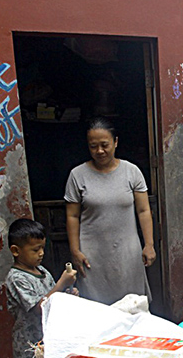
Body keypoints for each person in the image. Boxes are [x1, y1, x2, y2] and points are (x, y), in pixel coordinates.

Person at [64, 117, 156, 305]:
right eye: (93, 146)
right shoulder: (77, 175)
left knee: (133, 306)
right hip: (92, 253)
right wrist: (75, 250)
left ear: (115, 142)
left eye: (104, 145)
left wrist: (149, 244)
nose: (99, 151)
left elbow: (144, 210)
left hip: (127, 251)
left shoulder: (132, 172)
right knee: (97, 308)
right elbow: (72, 216)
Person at [5, 218, 78, 358]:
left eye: (42, 248)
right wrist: (61, 284)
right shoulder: (16, 279)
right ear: (16, 251)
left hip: (49, 342)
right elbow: (39, 308)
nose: (41, 253)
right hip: (30, 348)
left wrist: (67, 294)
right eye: (35, 250)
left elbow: (52, 298)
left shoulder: (42, 272)